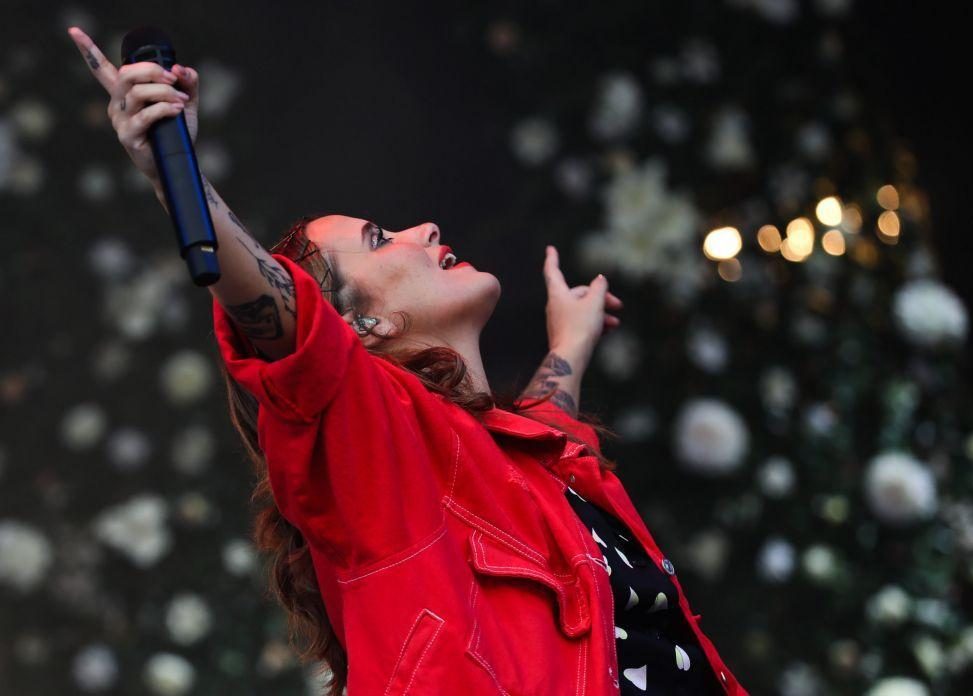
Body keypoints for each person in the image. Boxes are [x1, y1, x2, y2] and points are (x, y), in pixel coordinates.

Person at [69, 26, 749, 696]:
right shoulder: (378, 447)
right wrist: (176, 175)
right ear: (361, 324)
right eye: (379, 240)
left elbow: (545, 432)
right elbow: (287, 318)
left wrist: (568, 341)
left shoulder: (519, 463)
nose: (423, 229)